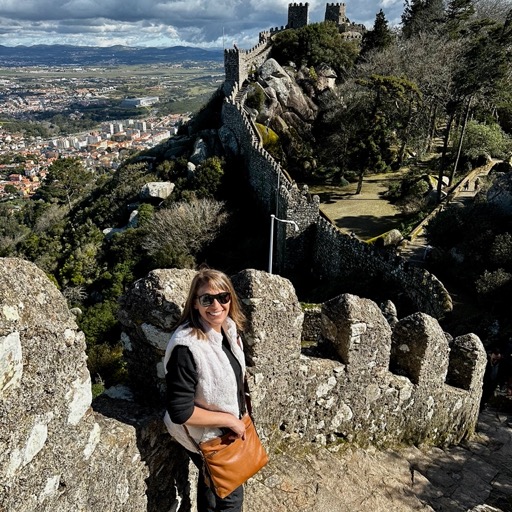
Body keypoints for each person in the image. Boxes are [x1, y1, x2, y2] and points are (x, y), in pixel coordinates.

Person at [163, 268, 248, 512]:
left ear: (230, 299)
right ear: (196, 304)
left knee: (212, 494)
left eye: (223, 297)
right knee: (231, 502)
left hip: (224, 433)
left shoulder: (229, 331)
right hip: (207, 438)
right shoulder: (187, 347)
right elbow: (180, 411)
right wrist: (229, 420)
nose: (216, 305)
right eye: (206, 299)